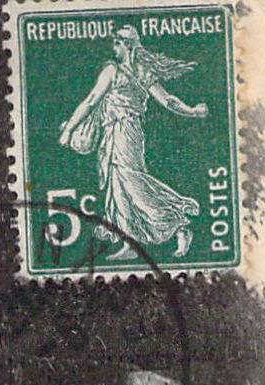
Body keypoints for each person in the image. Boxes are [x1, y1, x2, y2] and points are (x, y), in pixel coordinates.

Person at [58, 24, 208, 260]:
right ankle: (130, 243)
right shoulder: (139, 72)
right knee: (118, 185)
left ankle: (178, 223)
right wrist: (191, 111)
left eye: (116, 43)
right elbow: (167, 100)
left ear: (126, 45)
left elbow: (90, 101)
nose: (113, 48)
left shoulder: (116, 71)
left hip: (125, 132)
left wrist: (69, 130)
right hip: (116, 132)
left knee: (130, 181)